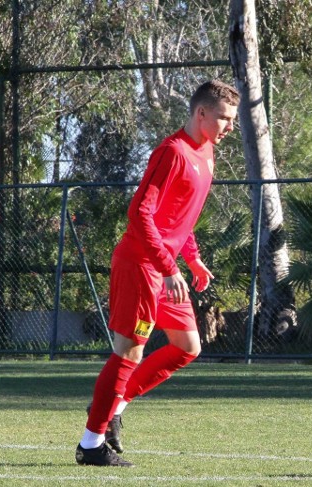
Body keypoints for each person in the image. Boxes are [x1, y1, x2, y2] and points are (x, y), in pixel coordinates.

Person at [76, 79, 240, 467]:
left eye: (232, 120)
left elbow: (181, 216)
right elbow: (140, 213)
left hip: (165, 268)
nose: (229, 128)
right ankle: (90, 445)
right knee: (129, 352)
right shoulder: (172, 152)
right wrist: (169, 268)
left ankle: (115, 405)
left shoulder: (207, 153)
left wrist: (193, 258)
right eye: (223, 119)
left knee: (188, 346)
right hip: (141, 265)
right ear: (201, 114)